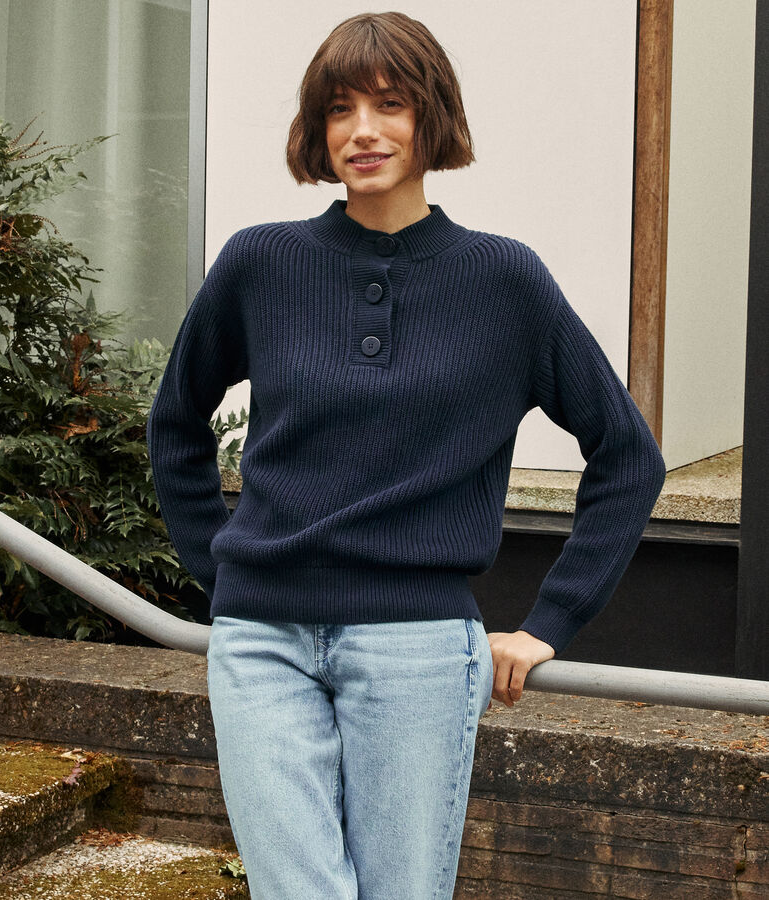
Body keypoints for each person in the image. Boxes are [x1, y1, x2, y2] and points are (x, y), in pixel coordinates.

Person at [146, 10, 667, 898]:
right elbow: (176, 421)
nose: (362, 132)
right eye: (338, 109)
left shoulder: (505, 281)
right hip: (260, 642)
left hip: (420, 649)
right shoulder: (259, 264)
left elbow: (626, 457)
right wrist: (219, 574)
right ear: (316, 131)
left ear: (432, 118)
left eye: (389, 104)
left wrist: (548, 622)